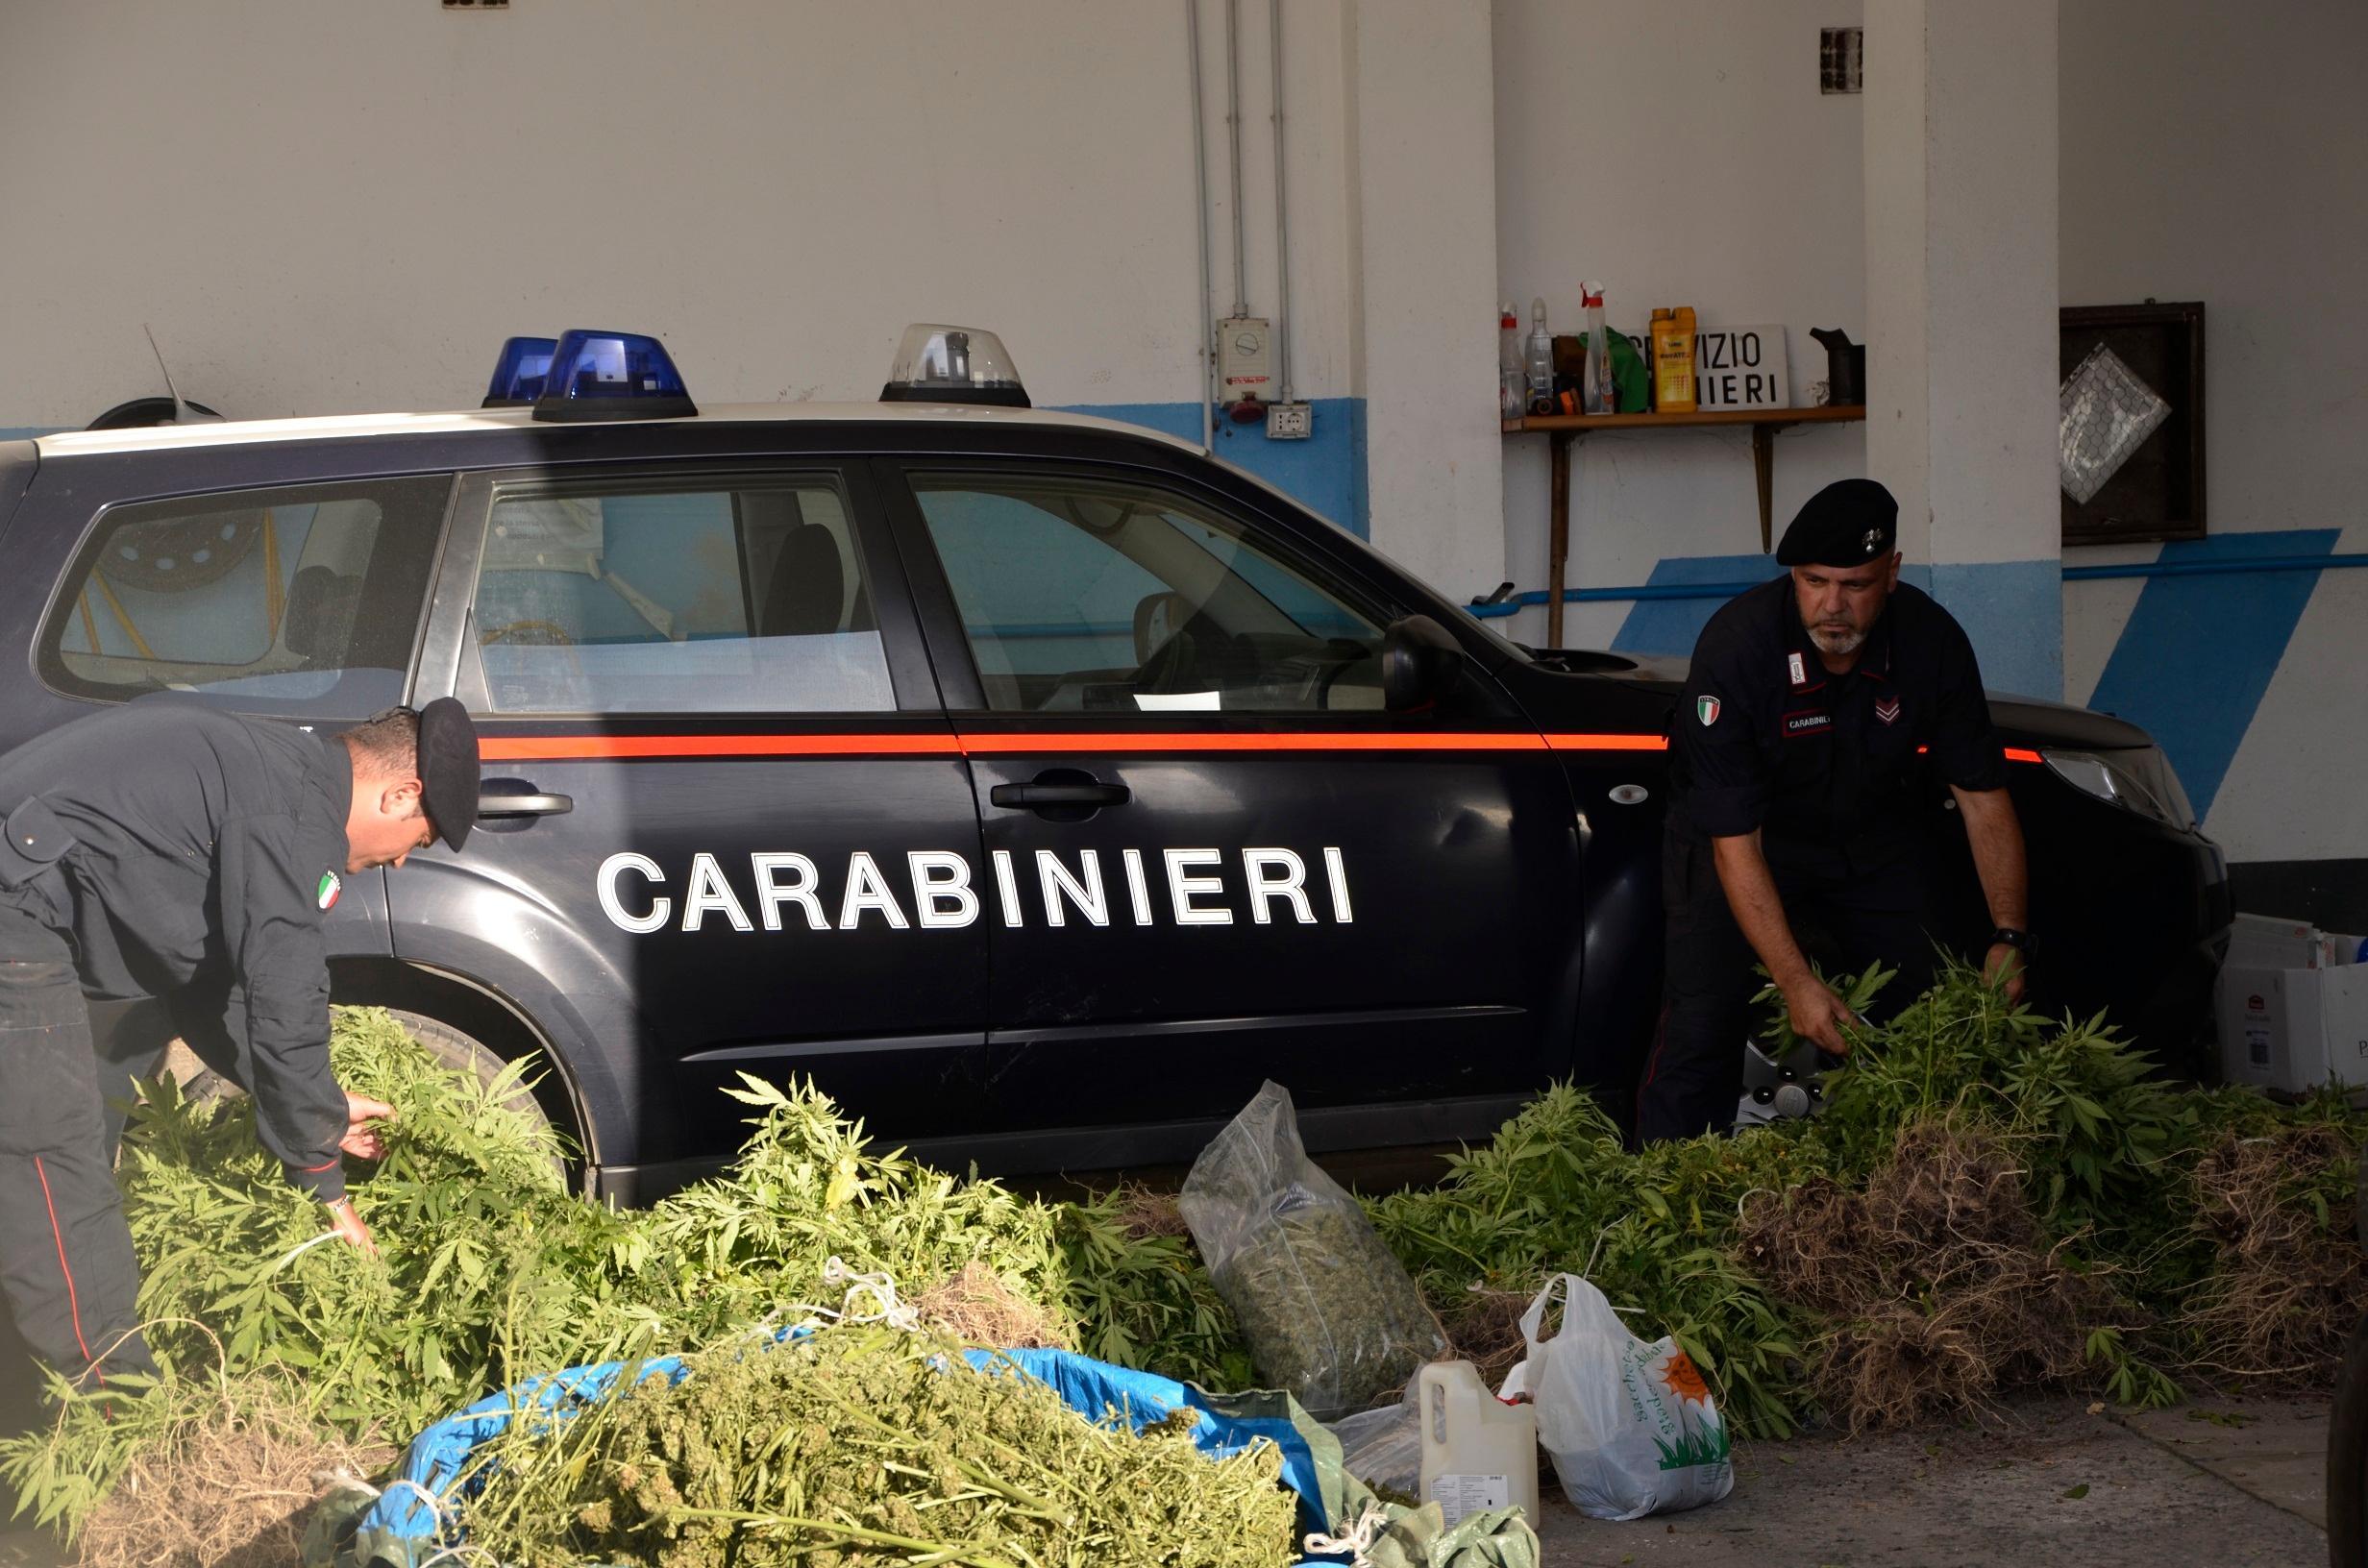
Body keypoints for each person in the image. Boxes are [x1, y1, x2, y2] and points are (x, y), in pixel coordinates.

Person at [0, 697, 478, 1386]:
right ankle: (115, 1410)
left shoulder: (283, 777)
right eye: (421, 838)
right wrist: (324, 1187)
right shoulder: (289, 819)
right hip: (15, 910)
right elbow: (285, 997)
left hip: (23, 901)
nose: (403, 862)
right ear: (402, 793)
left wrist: (317, 1104)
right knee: (56, 1163)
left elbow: (210, 985)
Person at [1638, 478, 2031, 1144]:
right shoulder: (1739, 648)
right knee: (1702, 1026)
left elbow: (1983, 798)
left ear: (1893, 573)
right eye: (1814, 582)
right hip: (1742, 845)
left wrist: (2010, 938)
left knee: (1945, 1013)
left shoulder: (1931, 642)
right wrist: (1795, 981)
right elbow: (1736, 842)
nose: (1833, 607)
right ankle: (1659, 1202)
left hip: (1870, 840)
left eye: (1855, 584)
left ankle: (1937, 1188)